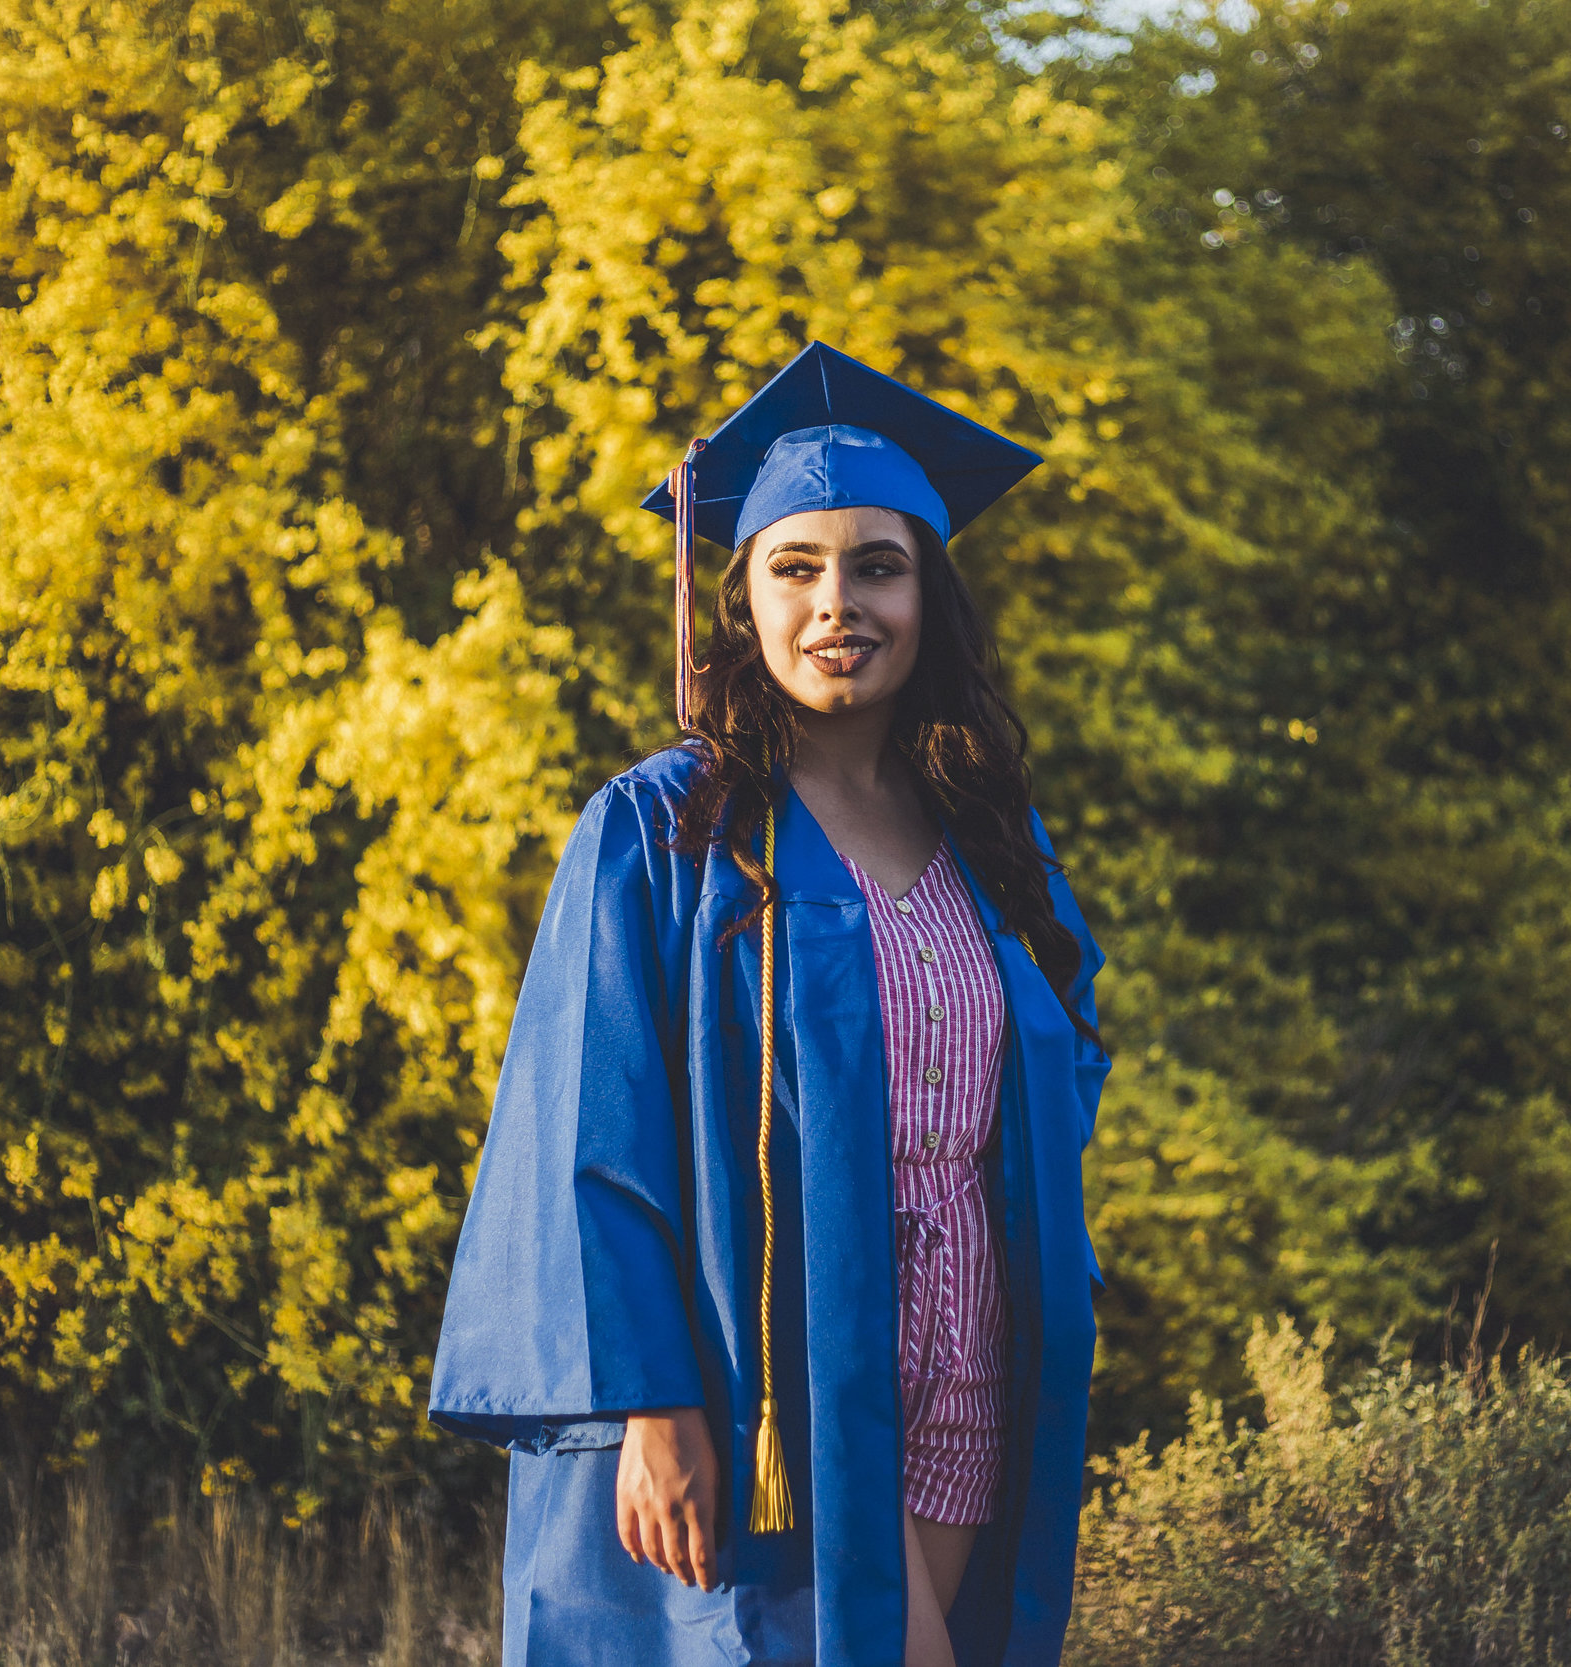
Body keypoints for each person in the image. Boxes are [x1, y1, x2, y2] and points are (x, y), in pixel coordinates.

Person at [429, 343, 1109, 1667]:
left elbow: (1062, 1055)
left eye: (878, 566)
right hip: (767, 1389)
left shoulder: (991, 836)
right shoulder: (661, 835)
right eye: (796, 566)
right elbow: (587, 1136)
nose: (837, 603)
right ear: (742, 593)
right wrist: (650, 1403)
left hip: (965, 1369)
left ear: (930, 596)